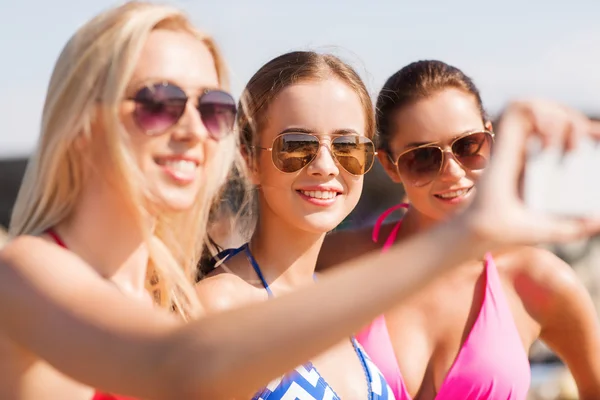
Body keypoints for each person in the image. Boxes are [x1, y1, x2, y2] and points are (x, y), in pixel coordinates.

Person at [0, 2, 598, 398]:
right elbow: (179, 365)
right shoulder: (26, 272)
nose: (189, 128)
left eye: (209, 109)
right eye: (156, 102)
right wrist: (459, 239)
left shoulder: (163, 290)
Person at [318, 60, 600, 400]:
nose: (452, 170)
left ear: (492, 139)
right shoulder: (336, 261)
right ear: (390, 166)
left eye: (469, 145)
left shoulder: (540, 280)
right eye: (423, 156)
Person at [196, 51, 394, 399]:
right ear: (249, 158)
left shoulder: (337, 305)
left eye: (347, 146)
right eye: (297, 145)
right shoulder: (220, 310)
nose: (325, 166)